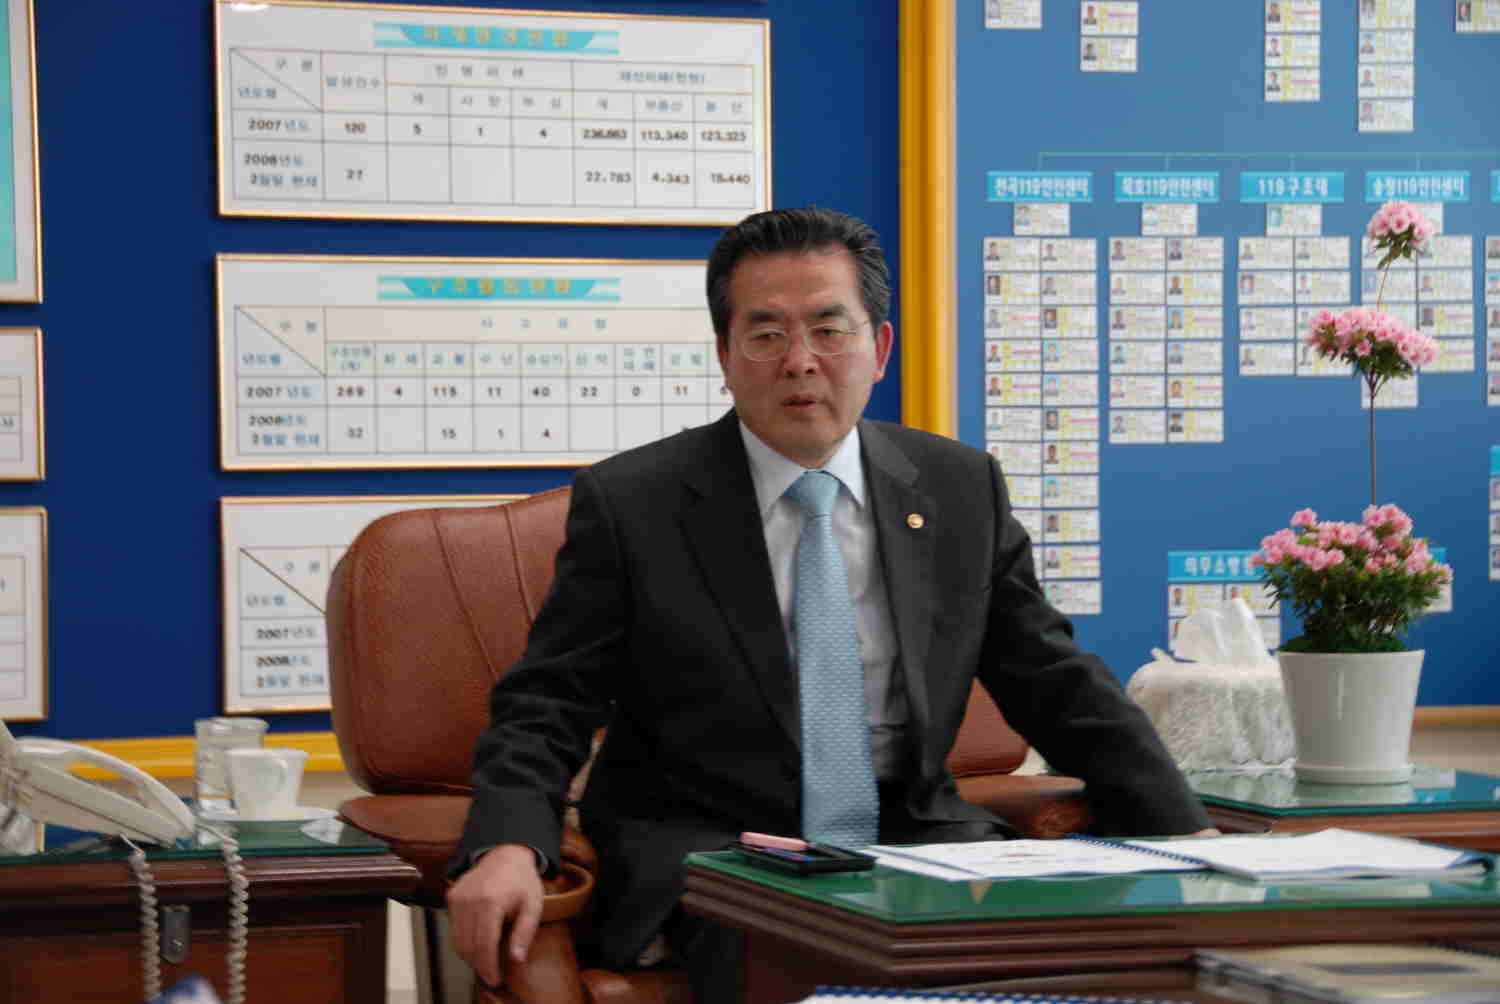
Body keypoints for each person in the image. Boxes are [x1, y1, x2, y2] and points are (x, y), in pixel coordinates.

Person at [445, 208, 1214, 999]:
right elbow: (548, 701)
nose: (800, 362)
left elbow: (1054, 680)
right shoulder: (635, 504)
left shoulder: (958, 488)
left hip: (914, 837)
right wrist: (508, 845)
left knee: (1071, 960)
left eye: (828, 329)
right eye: (766, 334)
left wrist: (1189, 830)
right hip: (719, 849)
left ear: (879, 349)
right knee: (796, 959)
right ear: (724, 355)